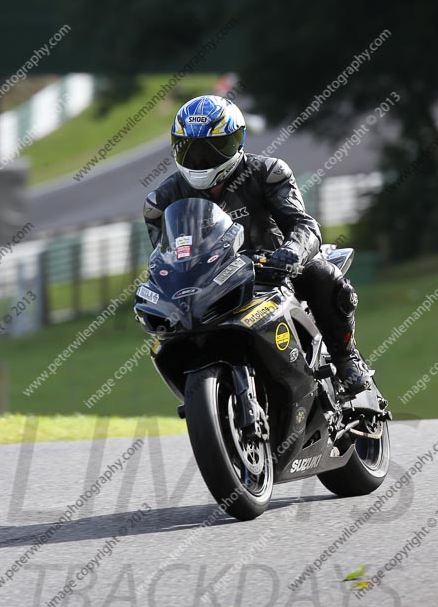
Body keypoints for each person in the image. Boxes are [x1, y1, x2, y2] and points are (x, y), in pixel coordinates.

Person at [143, 94, 371, 395]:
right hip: (213, 286)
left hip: (275, 271)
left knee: (321, 273)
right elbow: (166, 257)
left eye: (213, 148)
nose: (202, 161)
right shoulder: (162, 201)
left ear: (237, 143)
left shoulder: (267, 173)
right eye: (191, 150)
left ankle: (346, 359)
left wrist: (292, 252)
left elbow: (304, 224)